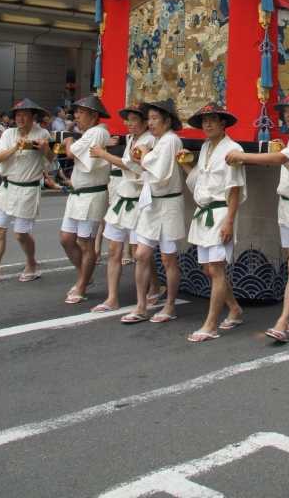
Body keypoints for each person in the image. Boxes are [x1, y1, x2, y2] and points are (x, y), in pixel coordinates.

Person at [226, 91, 289, 344]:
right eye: (285, 112)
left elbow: (282, 159)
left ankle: (282, 322)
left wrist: (243, 156)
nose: (286, 115)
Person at [182, 104, 247, 343]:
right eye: (204, 121)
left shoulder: (233, 149)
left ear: (223, 123)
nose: (207, 124)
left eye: (212, 120)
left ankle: (210, 325)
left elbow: (235, 189)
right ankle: (235, 309)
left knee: (217, 268)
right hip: (204, 213)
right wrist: (184, 164)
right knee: (208, 269)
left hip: (220, 213)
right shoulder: (206, 147)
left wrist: (229, 221)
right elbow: (200, 180)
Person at [0, 99, 53, 284]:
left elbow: (52, 158)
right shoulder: (9, 133)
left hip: (28, 189)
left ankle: (32, 264)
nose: (20, 118)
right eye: (18, 115)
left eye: (24, 115)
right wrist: (16, 147)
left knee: (21, 233)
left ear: (33, 117)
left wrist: (45, 148)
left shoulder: (43, 133)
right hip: (8, 187)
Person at [88, 104, 157, 312]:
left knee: (139, 252)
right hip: (123, 197)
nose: (129, 123)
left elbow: (131, 165)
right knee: (114, 249)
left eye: (134, 120)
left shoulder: (149, 141)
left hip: (138, 200)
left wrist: (103, 154)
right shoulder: (130, 139)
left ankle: (151, 289)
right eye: (127, 119)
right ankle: (112, 298)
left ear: (145, 122)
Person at [124, 98, 185, 325]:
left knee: (168, 258)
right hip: (152, 202)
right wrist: (143, 155)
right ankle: (141, 305)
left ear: (167, 121)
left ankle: (170, 305)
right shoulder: (158, 142)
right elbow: (140, 163)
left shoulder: (170, 141)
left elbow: (158, 170)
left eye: (154, 118)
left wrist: (145, 154)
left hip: (168, 204)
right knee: (141, 254)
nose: (150, 123)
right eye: (148, 118)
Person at [60, 95, 111, 304]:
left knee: (86, 242)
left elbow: (71, 154)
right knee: (66, 239)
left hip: (92, 194)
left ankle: (82, 284)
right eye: (77, 113)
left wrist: (69, 142)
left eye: (80, 113)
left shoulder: (98, 132)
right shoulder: (89, 133)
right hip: (78, 194)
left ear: (93, 115)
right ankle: (85, 275)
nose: (77, 117)